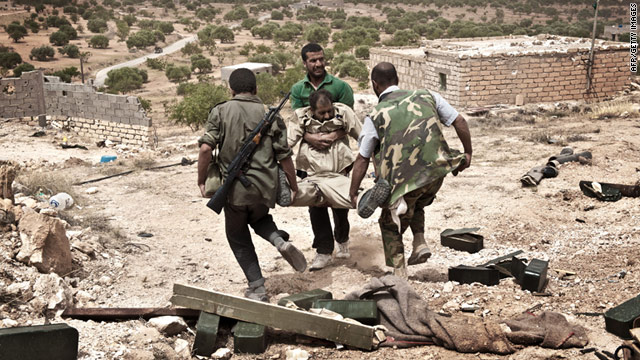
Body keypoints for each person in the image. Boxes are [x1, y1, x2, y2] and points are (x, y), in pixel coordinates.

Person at [349, 62, 473, 278]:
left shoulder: (375, 115)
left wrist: (353, 191)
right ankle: (419, 242)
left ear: (375, 85)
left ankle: (400, 273)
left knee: (388, 223)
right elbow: (459, 121)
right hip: (436, 172)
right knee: (418, 200)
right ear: (397, 80)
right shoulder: (427, 95)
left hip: (404, 180)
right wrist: (468, 152)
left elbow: (362, 158)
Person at [197, 68, 307, 301]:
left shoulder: (220, 111)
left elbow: (206, 148)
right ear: (255, 89)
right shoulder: (270, 115)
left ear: (231, 89)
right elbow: (284, 155)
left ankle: (257, 287)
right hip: (265, 187)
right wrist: (292, 184)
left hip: (235, 191)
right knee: (259, 219)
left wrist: (201, 180)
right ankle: (279, 240)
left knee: (237, 235)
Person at [287, 89, 361, 270]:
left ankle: (342, 240)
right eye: (322, 113)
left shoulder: (343, 112)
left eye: (329, 110)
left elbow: (362, 135)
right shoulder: (300, 116)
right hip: (312, 171)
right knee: (316, 209)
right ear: (312, 110)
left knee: (341, 207)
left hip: (338, 169)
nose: (327, 115)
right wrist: (307, 136)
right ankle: (323, 251)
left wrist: (339, 133)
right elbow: (287, 142)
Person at [290, 43, 354, 110]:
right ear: (304, 63)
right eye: (313, 61)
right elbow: (298, 116)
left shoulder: (342, 87)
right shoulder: (297, 89)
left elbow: (347, 115)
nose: (319, 64)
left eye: (321, 59)